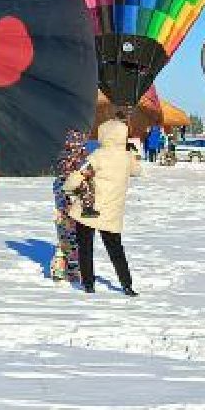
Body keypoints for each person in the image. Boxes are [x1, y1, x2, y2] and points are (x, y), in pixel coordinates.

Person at [66, 119, 142, 295]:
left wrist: (68, 187)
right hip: (112, 211)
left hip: (89, 208)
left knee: (85, 247)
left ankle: (88, 283)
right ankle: (126, 284)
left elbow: (79, 175)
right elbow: (137, 171)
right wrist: (133, 154)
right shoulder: (126, 158)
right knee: (116, 249)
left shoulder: (98, 156)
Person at [48, 130, 92, 283]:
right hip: (73, 207)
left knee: (64, 240)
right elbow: (78, 183)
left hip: (62, 209)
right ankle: (72, 270)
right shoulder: (80, 162)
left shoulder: (63, 158)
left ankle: (61, 269)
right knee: (75, 241)